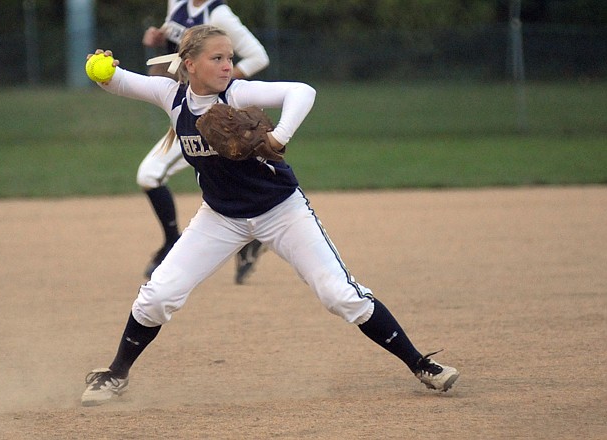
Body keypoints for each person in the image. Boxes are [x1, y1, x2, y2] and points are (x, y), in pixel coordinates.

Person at [81, 25, 460, 407]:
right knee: (157, 297)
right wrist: (102, 67)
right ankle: (116, 374)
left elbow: (302, 91)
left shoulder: (238, 93)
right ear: (190, 64)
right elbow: (117, 82)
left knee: (340, 295)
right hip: (220, 217)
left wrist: (280, 136)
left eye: (230, 57)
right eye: (217, 58)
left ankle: (421, 364)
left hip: (281, 211)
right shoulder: (172, 96)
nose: (228, 65)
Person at [138, 0, 270, 283]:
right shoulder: (177, 3)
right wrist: (158, 36)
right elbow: (180, 47)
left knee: (151, 174)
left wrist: (217, 80)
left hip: (211, 120)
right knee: (233, 181)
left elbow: (258, 57)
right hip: (186, 112)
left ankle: (174, 244)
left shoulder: (218, 13)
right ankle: (251, 237)